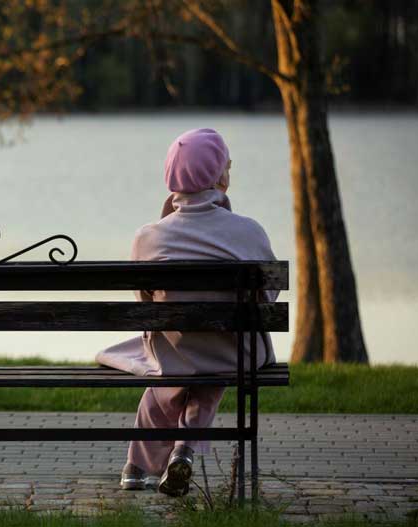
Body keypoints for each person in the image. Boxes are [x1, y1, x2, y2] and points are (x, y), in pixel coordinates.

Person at [95, 128, 279, 497]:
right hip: (235, 353)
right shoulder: (248, 232)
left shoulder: (149, 237)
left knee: (168, 362)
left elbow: (145, 305)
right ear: (221, 178)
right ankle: (184, 449)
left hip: (175, 352)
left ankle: (138, 466)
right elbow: (268, 297)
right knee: (213, 368)